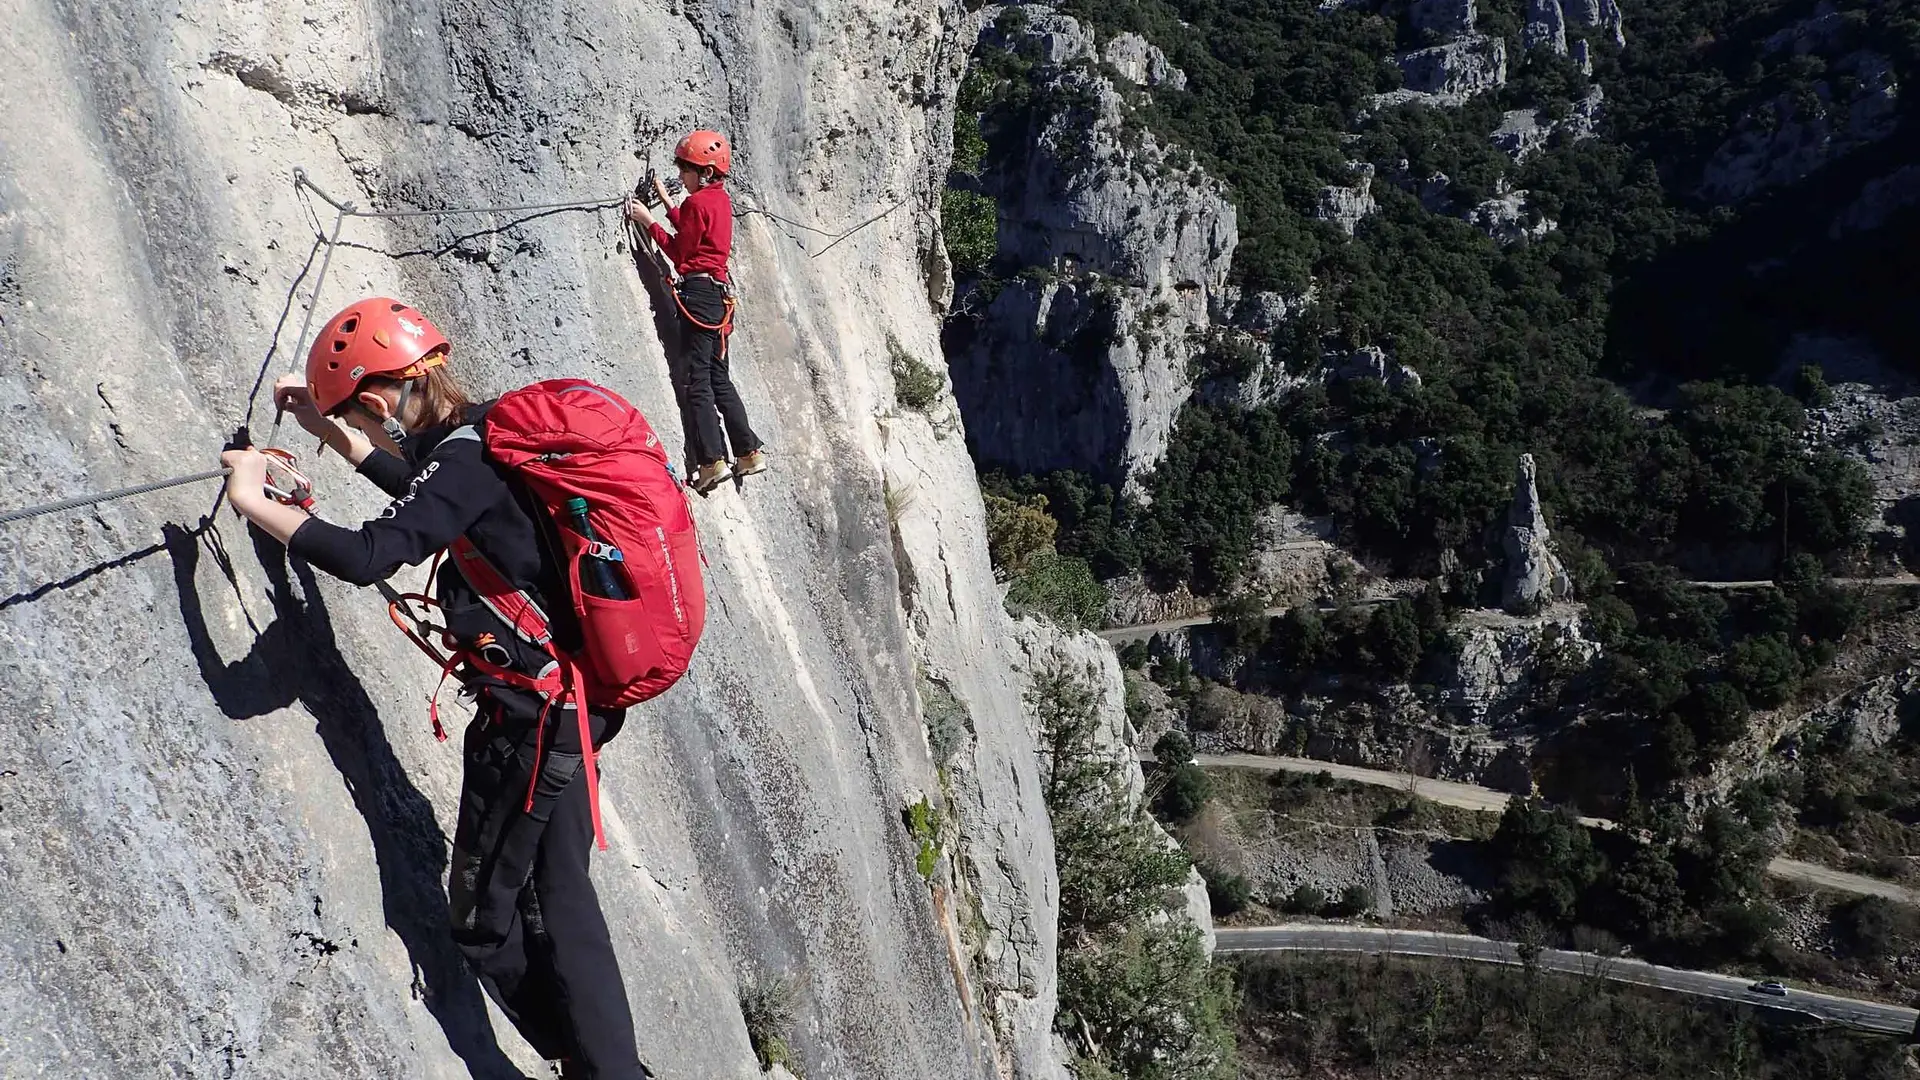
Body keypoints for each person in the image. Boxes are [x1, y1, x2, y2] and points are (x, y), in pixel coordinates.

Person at [221, 297, 652, 1080]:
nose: (372, 424)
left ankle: (591, 1064)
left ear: (382, 396)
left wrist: (252, 500)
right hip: (574, 704)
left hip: (530, 717)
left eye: (361, 410)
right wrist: (329, 432)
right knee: (562, 893)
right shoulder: (486, 435)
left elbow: (368, 554)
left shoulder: (461, 459)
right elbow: (429, 491)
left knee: (488, 920)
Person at [625, 128, 766, 494]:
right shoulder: (718, 200)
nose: (682, 176)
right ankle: (748, 452)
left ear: (704, 172)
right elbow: (695, 233)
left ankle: (711, 461)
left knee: (698, 380)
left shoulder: (696, 203)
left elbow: (680, 252)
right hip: (719, 296)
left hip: (700, 295)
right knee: (719, 378)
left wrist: (648, 221)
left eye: (686, 169)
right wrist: (664, 202)